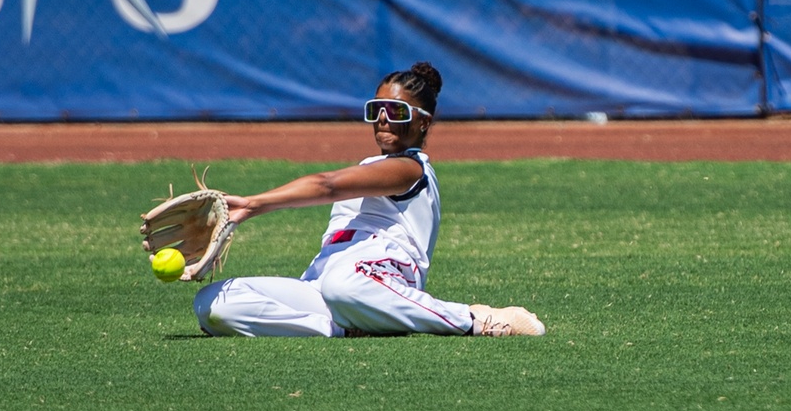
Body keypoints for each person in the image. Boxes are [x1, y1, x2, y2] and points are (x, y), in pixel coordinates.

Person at [192, 61, 546, 338]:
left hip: (379, 280)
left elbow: (327, 185)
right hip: (323, 284)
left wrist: (252, 204)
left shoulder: (410, 169)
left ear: (424, 123)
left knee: (343, 285)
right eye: (377, 109)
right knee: (214, 305)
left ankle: (472, 318)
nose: (383, 120)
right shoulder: (372, 165)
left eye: (396, 111)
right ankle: (345, 330)